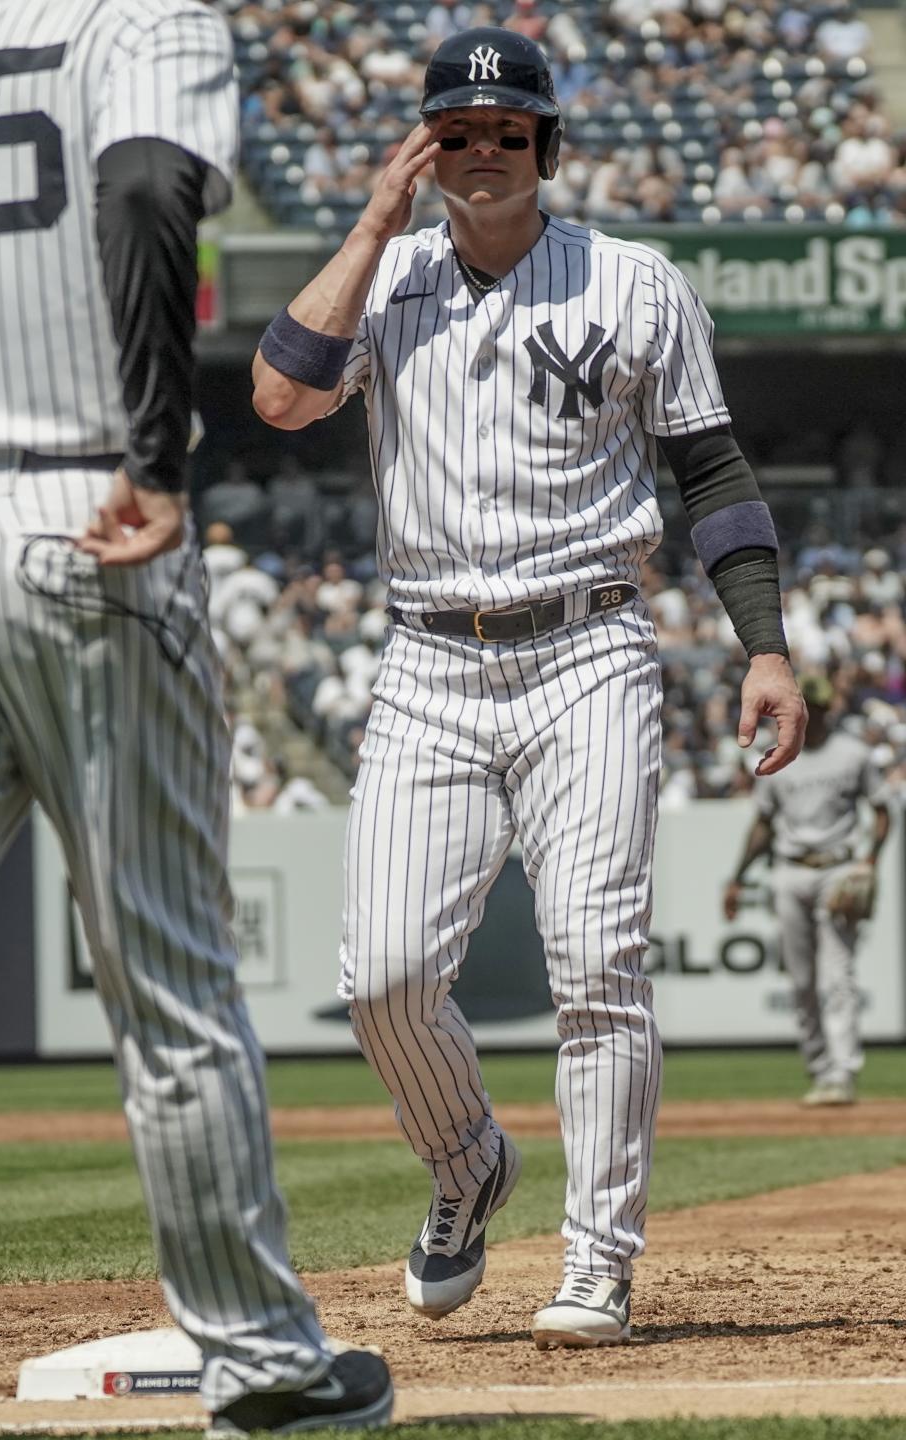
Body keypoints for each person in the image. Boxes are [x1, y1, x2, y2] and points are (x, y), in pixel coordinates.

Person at [252, 25, 806, 1350]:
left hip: (589, 645)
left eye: (510, 129)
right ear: (424, 147)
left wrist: (766, 644)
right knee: (383, 978)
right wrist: (374, 217)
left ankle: (598, 1263)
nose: (485, 150)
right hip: (431, 655)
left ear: (548, 143)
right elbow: (279, 397)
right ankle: (465, 1167)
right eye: (458, 130)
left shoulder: (633, 282)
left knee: (599, 969)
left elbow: (713, 476)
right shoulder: (386, 279)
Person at [0, 1, 391, 1432]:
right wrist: (154, 452)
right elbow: (144, 187)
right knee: (171, 980)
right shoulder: (142, 15)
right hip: (85, 506)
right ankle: (264, 1366)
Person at [724, 675, 890, 1106]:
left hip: (837, 868)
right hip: (789, 871)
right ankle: (820, 1070)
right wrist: (738, 877)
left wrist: (869, 859)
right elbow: (763, 824)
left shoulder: (852, 753)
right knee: (801, 980)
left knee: (837, 974)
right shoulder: (780, 754)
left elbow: (882, 809)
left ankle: (842, 1072)